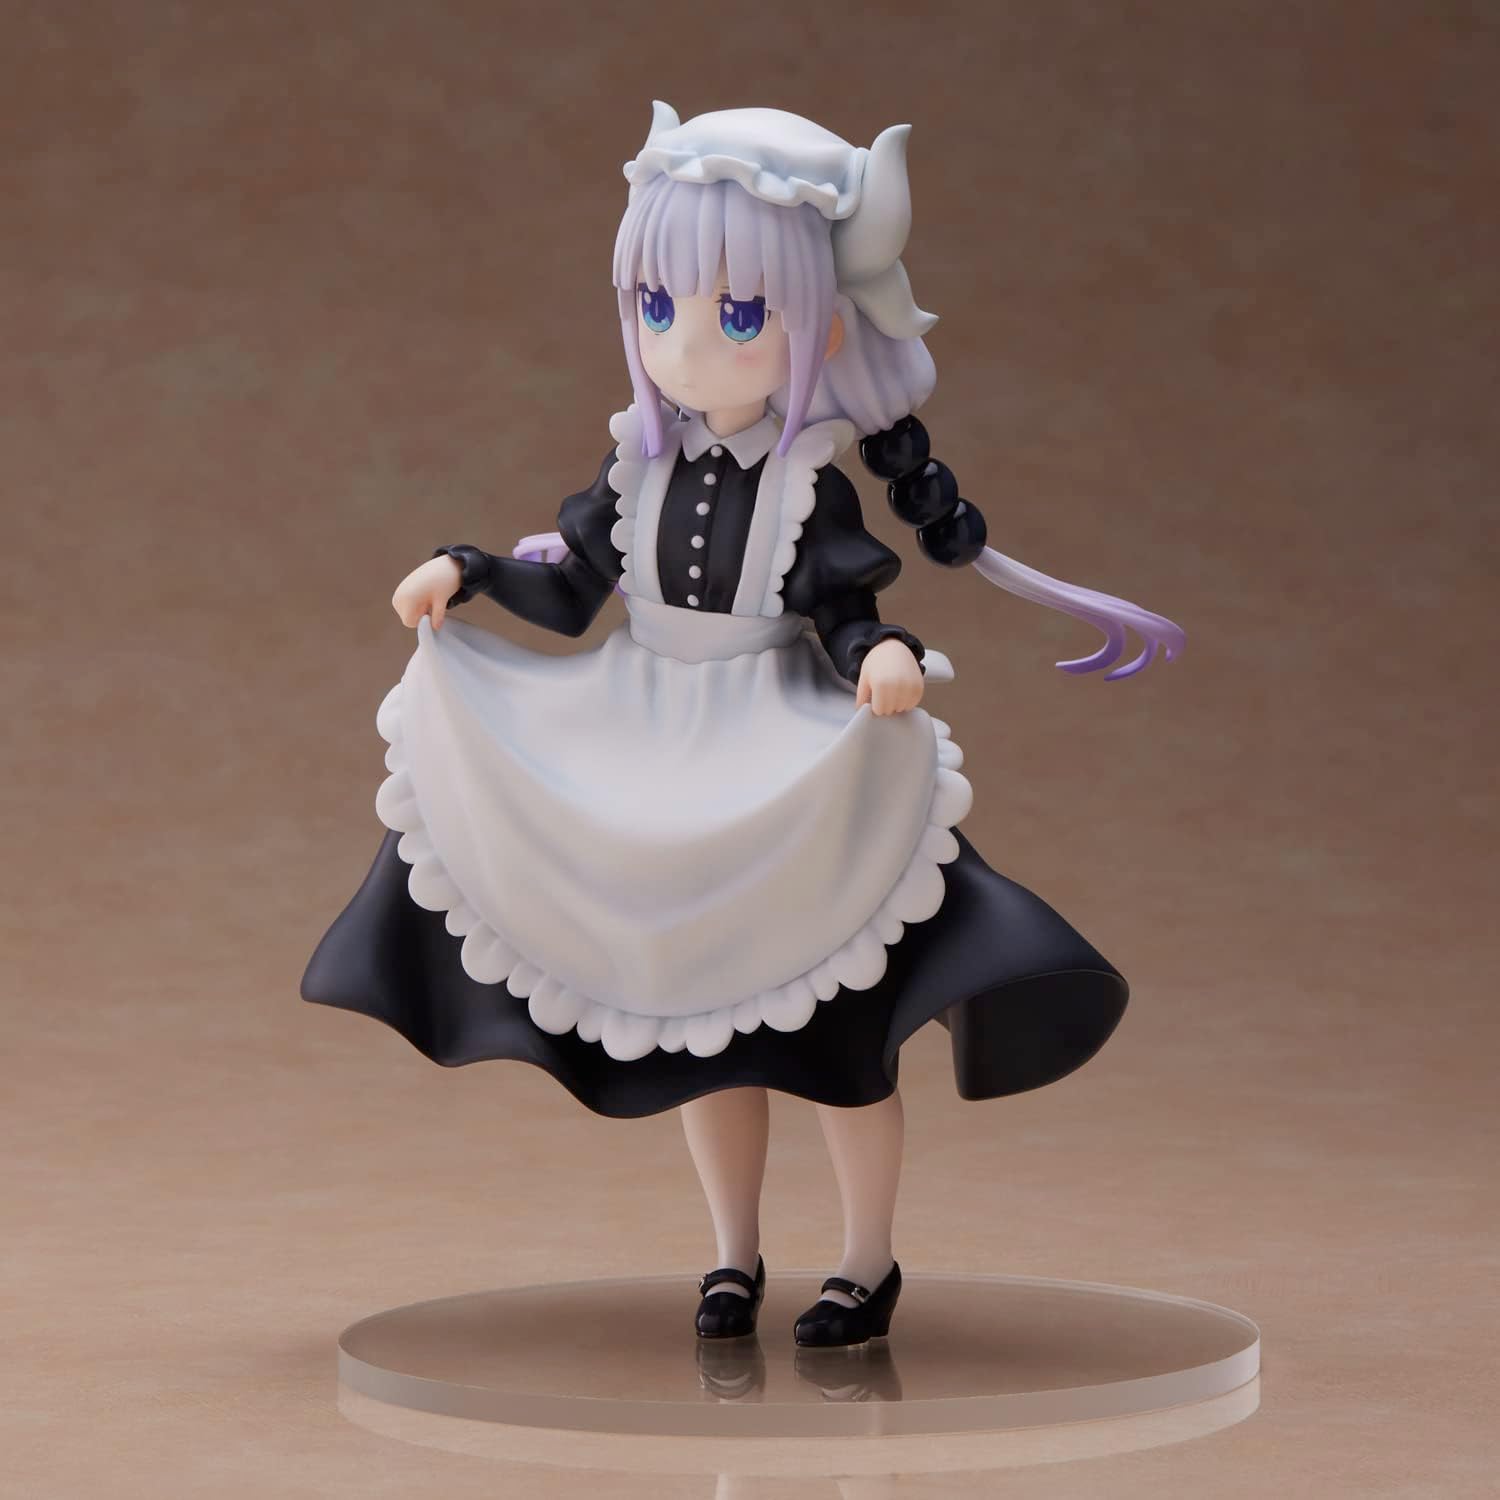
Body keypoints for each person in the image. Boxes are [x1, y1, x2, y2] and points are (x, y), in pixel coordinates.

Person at [302, 104, 1184, 1349]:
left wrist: (880, 653)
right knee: (700, 1027)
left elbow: (841, 611)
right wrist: (473, 571)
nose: (685, 346)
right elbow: (572, 594)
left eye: (738, 314)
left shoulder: (807, 487)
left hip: (778, 755)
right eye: (657, 308)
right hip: (646, 734)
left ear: (821, 329)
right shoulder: (637, 469)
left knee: (839, 1034)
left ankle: (866, 1261)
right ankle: (731, 1256)